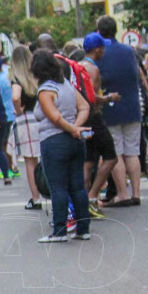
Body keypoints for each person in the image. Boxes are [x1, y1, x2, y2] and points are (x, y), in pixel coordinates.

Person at [31, 49, 92, 242]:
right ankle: (83, 228)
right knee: (78, 187)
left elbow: (54, 117)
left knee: (58, 187)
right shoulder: (66, 85)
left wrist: (70, 127)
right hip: (75, 142)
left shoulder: (45, 90)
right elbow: (84, 106)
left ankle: (59, 230)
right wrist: (77, 127)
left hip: (54, 141)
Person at [96, 16, 145, 206]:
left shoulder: (100, 52)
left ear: (99, 31)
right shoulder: (128, 51)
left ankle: (123, 194)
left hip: (111, 107)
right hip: (132, 105)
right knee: (132, 151)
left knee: (116, 151)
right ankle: (137, 193)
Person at [79, 33, 121, 211]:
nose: (104, 50)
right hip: (93, 118)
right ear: (97, 49)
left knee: (89, 159)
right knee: (110, 157)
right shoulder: (92, 69)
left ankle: (81, 199)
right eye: (102, 47)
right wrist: (109, 97)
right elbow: (91, 97)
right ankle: (91, 195)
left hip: (82, 119)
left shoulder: (78, 66)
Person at [11, 45, 43, 209]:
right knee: (43, 157)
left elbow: (16, 96)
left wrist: (18, 109)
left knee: (30, 162)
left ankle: (36, 198)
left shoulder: (17, 78)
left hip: (25, 120)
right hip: (40, 117)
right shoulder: (36, 76)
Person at [0, 57, 17, 175]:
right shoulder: (7, 76)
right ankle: (11, 167)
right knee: (9, 143)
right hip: (12, 112)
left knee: (3, 145)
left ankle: (9, 169)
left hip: (4, 113)